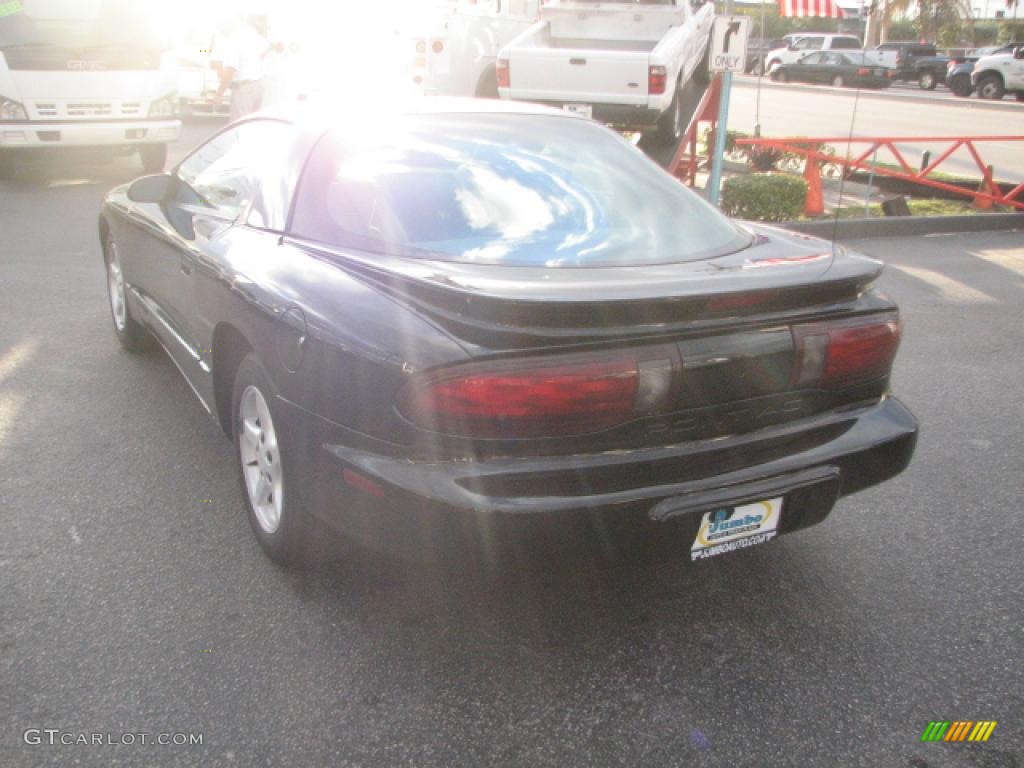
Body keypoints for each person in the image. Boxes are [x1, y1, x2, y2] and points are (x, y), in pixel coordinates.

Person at [213, 15, 269, 121]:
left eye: (221, 27)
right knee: (252, 125)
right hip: (258, 86)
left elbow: (231, 68)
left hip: (244, 90)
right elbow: (264, 49)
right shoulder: (251, 33)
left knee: (239, 128)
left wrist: (219, 94)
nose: (221, 31)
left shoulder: (234, 38)